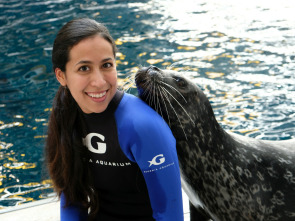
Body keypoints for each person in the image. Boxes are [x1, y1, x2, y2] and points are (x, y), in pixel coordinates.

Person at [45, 18, 184, 221]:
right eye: (84, 68)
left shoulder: (142, 127)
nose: (99, 82)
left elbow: (169, 214)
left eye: (106, 65)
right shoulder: (65, 113)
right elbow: (72, 202)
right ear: (61, 76)